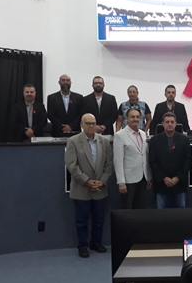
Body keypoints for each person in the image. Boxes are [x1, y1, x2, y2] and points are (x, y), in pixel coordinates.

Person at [64, 113, 112, 258]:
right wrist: (86, 181)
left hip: (100, 187)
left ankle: (96, 243)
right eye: (88, 123)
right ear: (81, 125)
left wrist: (102, 181)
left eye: (93, 123)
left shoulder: (104, 141)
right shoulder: (73, 141)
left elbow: (108, 165)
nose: (91, 126)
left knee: (99, 219)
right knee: (82, 220)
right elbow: (71, 166)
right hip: (81, 188)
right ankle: (83, 246)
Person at [148, 112, 191, 209]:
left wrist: (178, 177)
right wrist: (164, 178)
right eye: (167, 122)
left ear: (176, 124)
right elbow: (152, 161)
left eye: (172, 122)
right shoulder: (155, 140)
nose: (170, 124)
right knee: (161, 214)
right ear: (162, 123)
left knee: (180, 212)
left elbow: (187, 160)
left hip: (179, 184)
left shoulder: (184, 140)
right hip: (161, 184)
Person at [113, 108, 152, 209]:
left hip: (142, 179)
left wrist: (148, 176)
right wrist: (121, 182)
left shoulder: (143, 134)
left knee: (140, 211)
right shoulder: (119, 135)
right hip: (128, 180)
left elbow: (145, 157)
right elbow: (118, 161)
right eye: (132, 117)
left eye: (137, 117)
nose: (135, 119)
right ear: (126, 119)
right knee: (127, 211)